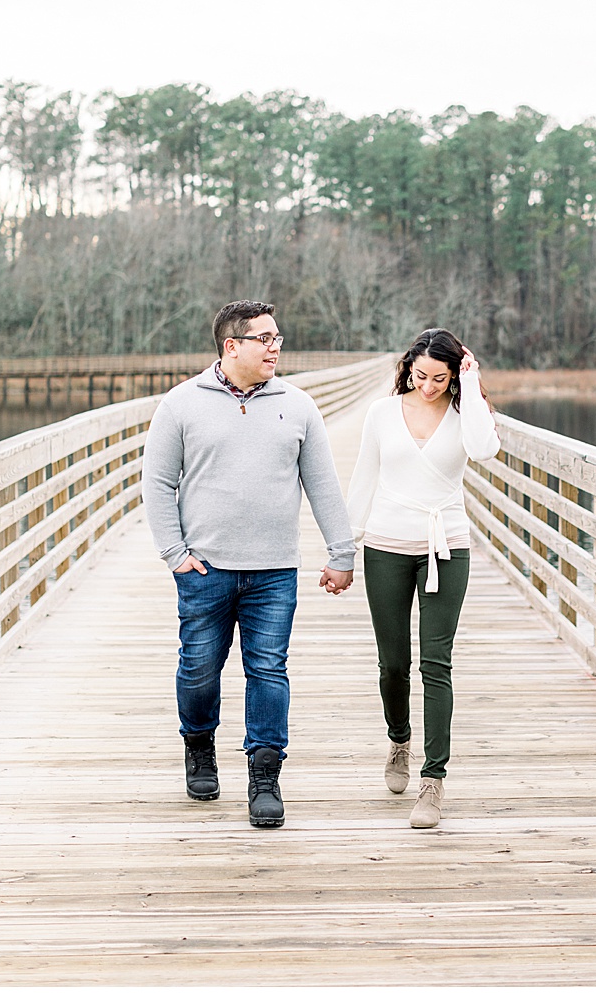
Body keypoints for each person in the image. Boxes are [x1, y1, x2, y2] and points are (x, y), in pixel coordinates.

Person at [141, 300, 357, 827]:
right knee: (198, 669)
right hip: (205, 568)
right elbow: (157, 482)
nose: (275, 347)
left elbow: (323, 484)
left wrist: (341, 552)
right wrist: (175, 554)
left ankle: (265, 774)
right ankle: (199, 746)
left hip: (274, 571)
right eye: (264, 338)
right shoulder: (181, 404)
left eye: (277, 337)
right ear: (231, 346)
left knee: (268, 670)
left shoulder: (298, 405)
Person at [347, 327, 499, 829]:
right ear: (408, 368)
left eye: (440, 378)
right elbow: (364, 477)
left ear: (454, 374)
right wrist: (344, 549)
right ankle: (399, 740)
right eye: (420, 376)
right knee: (393, 664)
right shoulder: (381, 413)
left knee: (437, 663)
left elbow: (484, 449)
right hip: (386, 546)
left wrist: (471, 386)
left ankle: (433, 780)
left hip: (446, 546)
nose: (429, 386)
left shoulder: (464, 413)